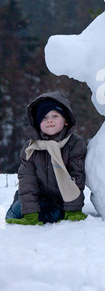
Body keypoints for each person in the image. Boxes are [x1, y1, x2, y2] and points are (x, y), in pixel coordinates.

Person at [6, 91, 88, 225]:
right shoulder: (31, 147)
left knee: (56, 215)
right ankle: (36, 214)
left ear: (66, 120)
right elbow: (27, 181)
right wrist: (30, 213)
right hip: (38, 197)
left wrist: (73, 209)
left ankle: (51, 214)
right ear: (38, 123)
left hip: (60, 199)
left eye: (55, 116)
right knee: (14, 215)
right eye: (44, 118)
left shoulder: (74, 145)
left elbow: (76, 178)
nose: (49, 120)